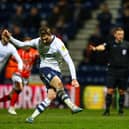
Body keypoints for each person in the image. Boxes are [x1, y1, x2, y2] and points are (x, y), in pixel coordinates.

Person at [4, 25, 82, 123]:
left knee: (51, 96)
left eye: (46, 39)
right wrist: (10, 38)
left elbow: (70, 61)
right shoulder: (38, 41)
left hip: (57, 71)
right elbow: (21, 45)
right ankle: (72, 106)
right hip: (45, 69)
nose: (44, 41)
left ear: (50, 35)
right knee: (59, 85)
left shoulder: (58, 43)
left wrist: (74, 78)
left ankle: (31, 118)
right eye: (42, 39)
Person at [90, 27, 129, 115]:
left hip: (124, 71)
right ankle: (107, 110)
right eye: (119, 34)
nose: (120, 36)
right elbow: (103, 47)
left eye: (122, 34)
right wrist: (96, 48)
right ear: (115, 35)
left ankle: (121, 111)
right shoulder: (110, 43)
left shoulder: (127, 44)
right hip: (112, 70)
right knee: (110, 90)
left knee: (122, 91)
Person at [0, 39, 39, 115]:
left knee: (11, 96)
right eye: (25, 44)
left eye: (28, 44)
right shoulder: (18, 52)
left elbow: (41, 55)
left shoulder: (34, 53)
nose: (26, 45)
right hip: (17, 73)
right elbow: (11, 61)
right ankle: (11, 108)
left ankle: (8, 104)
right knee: (19, 88)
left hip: (25, 76)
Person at [0, 29, 23, 112]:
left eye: (8, 36)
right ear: (2, 35)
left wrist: (19, 71)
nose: (6, 37)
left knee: (18, 89)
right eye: (5, 35)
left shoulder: (11, 48)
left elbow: (20, 61)